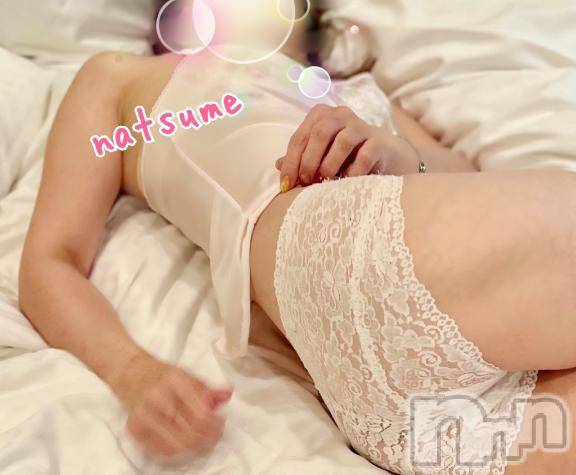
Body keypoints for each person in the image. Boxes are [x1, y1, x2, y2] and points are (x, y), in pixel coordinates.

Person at [18, 6, 576, 475]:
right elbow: (50, 261)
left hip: (397, 402)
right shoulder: (123, 79)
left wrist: (399, 155)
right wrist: (132, 371)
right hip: (342, 261)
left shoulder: (350, 89)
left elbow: (476, 188)